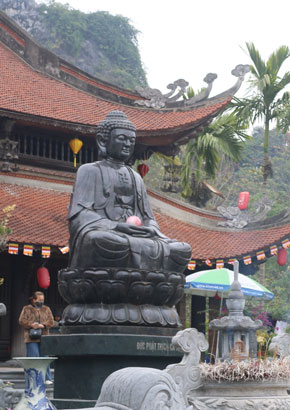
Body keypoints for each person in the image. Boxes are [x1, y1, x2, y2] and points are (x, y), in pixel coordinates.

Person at [67, 110, 190, 273]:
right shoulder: (89, 171)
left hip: (136, 235)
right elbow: (79, 215)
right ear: (103, 141)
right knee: (98, 240)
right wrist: (116, 226)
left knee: (181, 249)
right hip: (109, 234)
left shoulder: (136, 177)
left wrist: (149, 228)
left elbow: (148, 218)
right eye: (122, 138)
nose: (127, 144)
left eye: (131, 140)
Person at [19, 291, 55, 358]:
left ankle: (44, 369)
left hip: (44, 336)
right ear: (34, 300)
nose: (41, 301)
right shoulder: (27, 308)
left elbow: (51, 322)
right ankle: (31, 369)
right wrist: (31, 325)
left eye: (42, 300)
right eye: (40, 300)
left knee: (44, 358)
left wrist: (43, 325)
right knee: (33, 357)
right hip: (31, 337)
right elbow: (21, 320)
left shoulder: (46, 309)